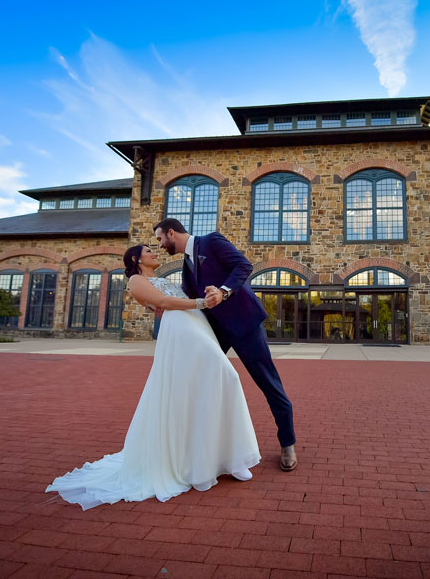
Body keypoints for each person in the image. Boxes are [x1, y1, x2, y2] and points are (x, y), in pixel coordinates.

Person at [45, 244, 260, 510]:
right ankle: (204, 462)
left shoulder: (161, 279)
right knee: (226, 376)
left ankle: (229, 458)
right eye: (149, 250)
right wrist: (202, 303)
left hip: (197, 324)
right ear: (136, 258)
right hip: (181, 329)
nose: (154, 252)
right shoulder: (135, 280)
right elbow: (162, 303)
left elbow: (165, 300)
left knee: (204, 386)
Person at [154, 218, 298, 472]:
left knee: (269, 383)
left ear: (172, 233)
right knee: (200, 381)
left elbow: (244, 265)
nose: (160, 245)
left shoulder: (212, 241)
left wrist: (223, 291)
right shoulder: (186, 265)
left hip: (245, 327)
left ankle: (287, 443)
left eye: (160, 239)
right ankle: (208, 446)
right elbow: (191, 299)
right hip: (215, 332)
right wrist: (164, 307)